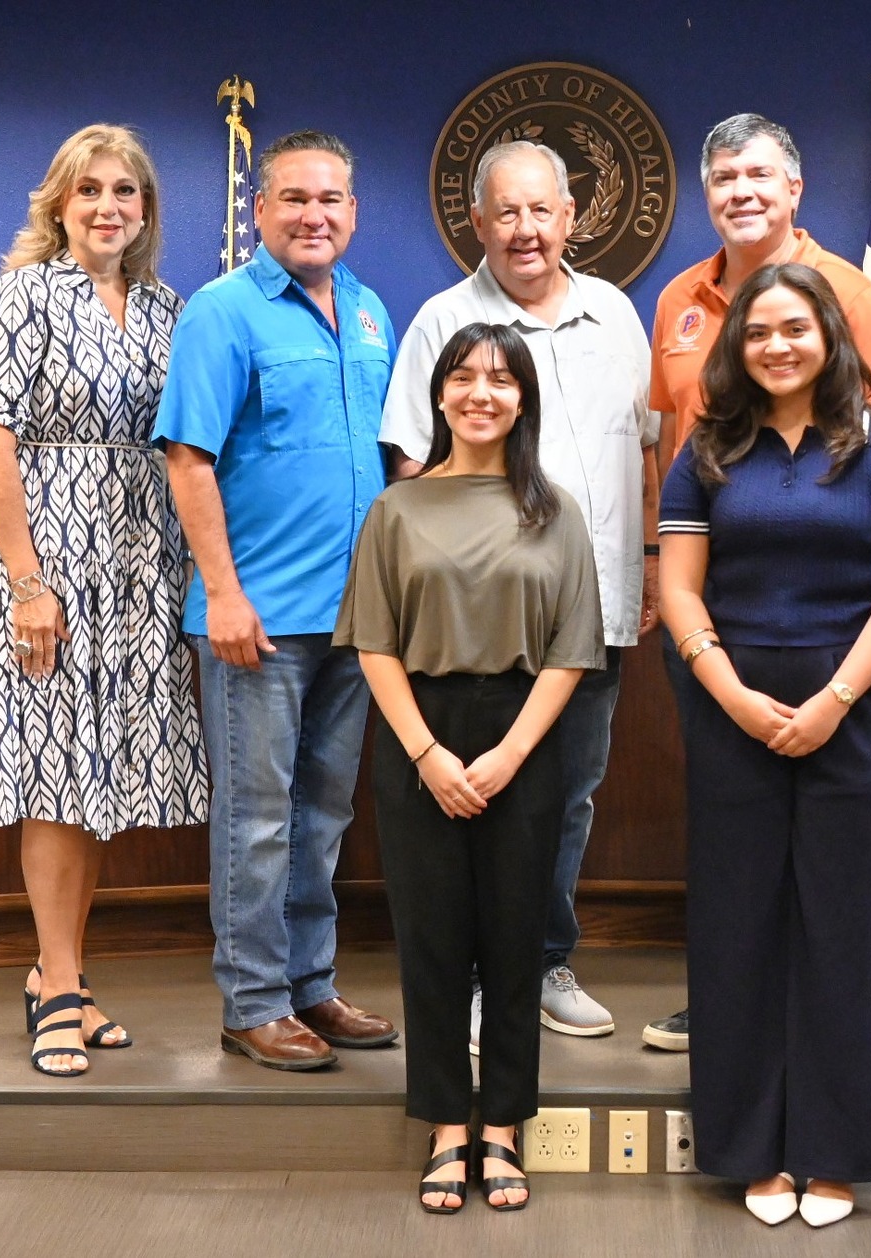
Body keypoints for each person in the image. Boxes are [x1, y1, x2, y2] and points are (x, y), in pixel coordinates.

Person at [660, 264, 871, 1227]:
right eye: (758, 332)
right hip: (731, 701)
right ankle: (748, 1151)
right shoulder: (705, 450)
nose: (776, 345)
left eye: (795, 328)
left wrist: (835, 697)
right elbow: (680, 588)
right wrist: (728, 688)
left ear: (831, 336)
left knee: (852, 933)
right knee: (739, 928)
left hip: (855, 707)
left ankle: (836, 1151)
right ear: (737, 347)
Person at [640, 111, 871, 1053]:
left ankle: (822, 1012)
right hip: (711, 613)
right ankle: (730, 1002)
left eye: (759, 175)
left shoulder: (852, 294)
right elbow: (667, 444)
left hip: (834, 623)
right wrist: (657, 575)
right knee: (733, 834)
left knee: (838, 851)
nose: (741, 193)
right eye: (723, 179)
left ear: (794, 189)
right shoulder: (678, 295)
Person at [0, 123, 207, 1077]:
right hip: (48, 560)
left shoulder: (170, 306)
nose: (108, 207)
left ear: (146, 211)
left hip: (138, 564)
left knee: (100, 778)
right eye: (89, 189)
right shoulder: (24, 296)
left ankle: (66, 970)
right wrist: (27, 582)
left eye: (125, 192)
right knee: (54, 771)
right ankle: (57, 987)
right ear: (59, 203)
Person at [381, 141, 655, 1044]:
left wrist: (648, 563)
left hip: (591, 612)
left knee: (565, 796)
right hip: (471, 623)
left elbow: (643, 450)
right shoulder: (443, 321)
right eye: (508, 213)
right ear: (479, 223)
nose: (526, 231)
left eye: (543, 212)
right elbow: (413, 470)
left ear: (572, 218)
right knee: (467, 799)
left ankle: (541, 962)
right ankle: (469, 977)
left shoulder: (617, 315)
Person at [338, 323, 605, 1214]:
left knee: (516, 938)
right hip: (422, 731)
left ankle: (505, 1125)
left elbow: (571, 651)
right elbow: (374, 643)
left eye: (500, 379)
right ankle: (449, 1124)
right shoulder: (396, 511)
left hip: (523, 733)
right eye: (463, 377)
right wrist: (427, 753)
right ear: (439, 394)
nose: (480, 393)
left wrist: (509, 754)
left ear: (523, 398)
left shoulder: (556, 511)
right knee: (434, 937)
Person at [155, 130, 397, 1071]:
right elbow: (189, 458)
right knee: (256, 818)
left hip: (357, 616)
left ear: (353, 212)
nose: (314, 215)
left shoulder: (372, 312)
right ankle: (252, 1002)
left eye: (330, 199)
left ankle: (311, 987)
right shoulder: (223, 312)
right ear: (261, 211)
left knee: (323, 813)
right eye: (294, 198)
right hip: (256, 617)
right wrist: (222, 592)